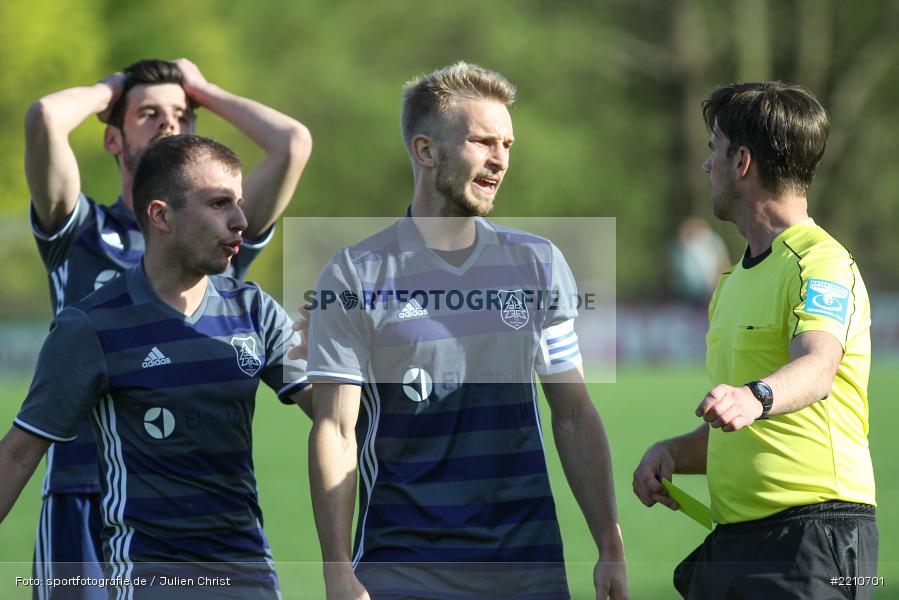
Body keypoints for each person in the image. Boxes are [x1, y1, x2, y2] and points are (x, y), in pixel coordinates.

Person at [306, 62, 627, 600]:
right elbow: (336, 431)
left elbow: (573, 414)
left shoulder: (537, 263)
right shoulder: (355, 274)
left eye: (507, 144)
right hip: (403, 567)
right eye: (482, 141)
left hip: (529, 566)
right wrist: (337, 569)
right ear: (426, 151)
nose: (500, 159)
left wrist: (609, 546)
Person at [23, 58, 311, 597]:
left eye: (182, 115)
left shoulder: (209, 237)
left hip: (180, 499)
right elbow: (43, 117)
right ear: (112, 137)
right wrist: (112, 88)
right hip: (80, 484)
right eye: (149, 114)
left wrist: (202, 89)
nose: (169, 124)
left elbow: (293, 143)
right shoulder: (81, 228)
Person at [632, 82, 877, 599]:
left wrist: (755, 395)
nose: (705, 167)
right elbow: (742, 424)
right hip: (736, 541)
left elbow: (817, 366)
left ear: (741, 161)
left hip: (815, 537)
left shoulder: (822, 262)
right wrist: (673, 452)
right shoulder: (731, 281)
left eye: (712, 149)